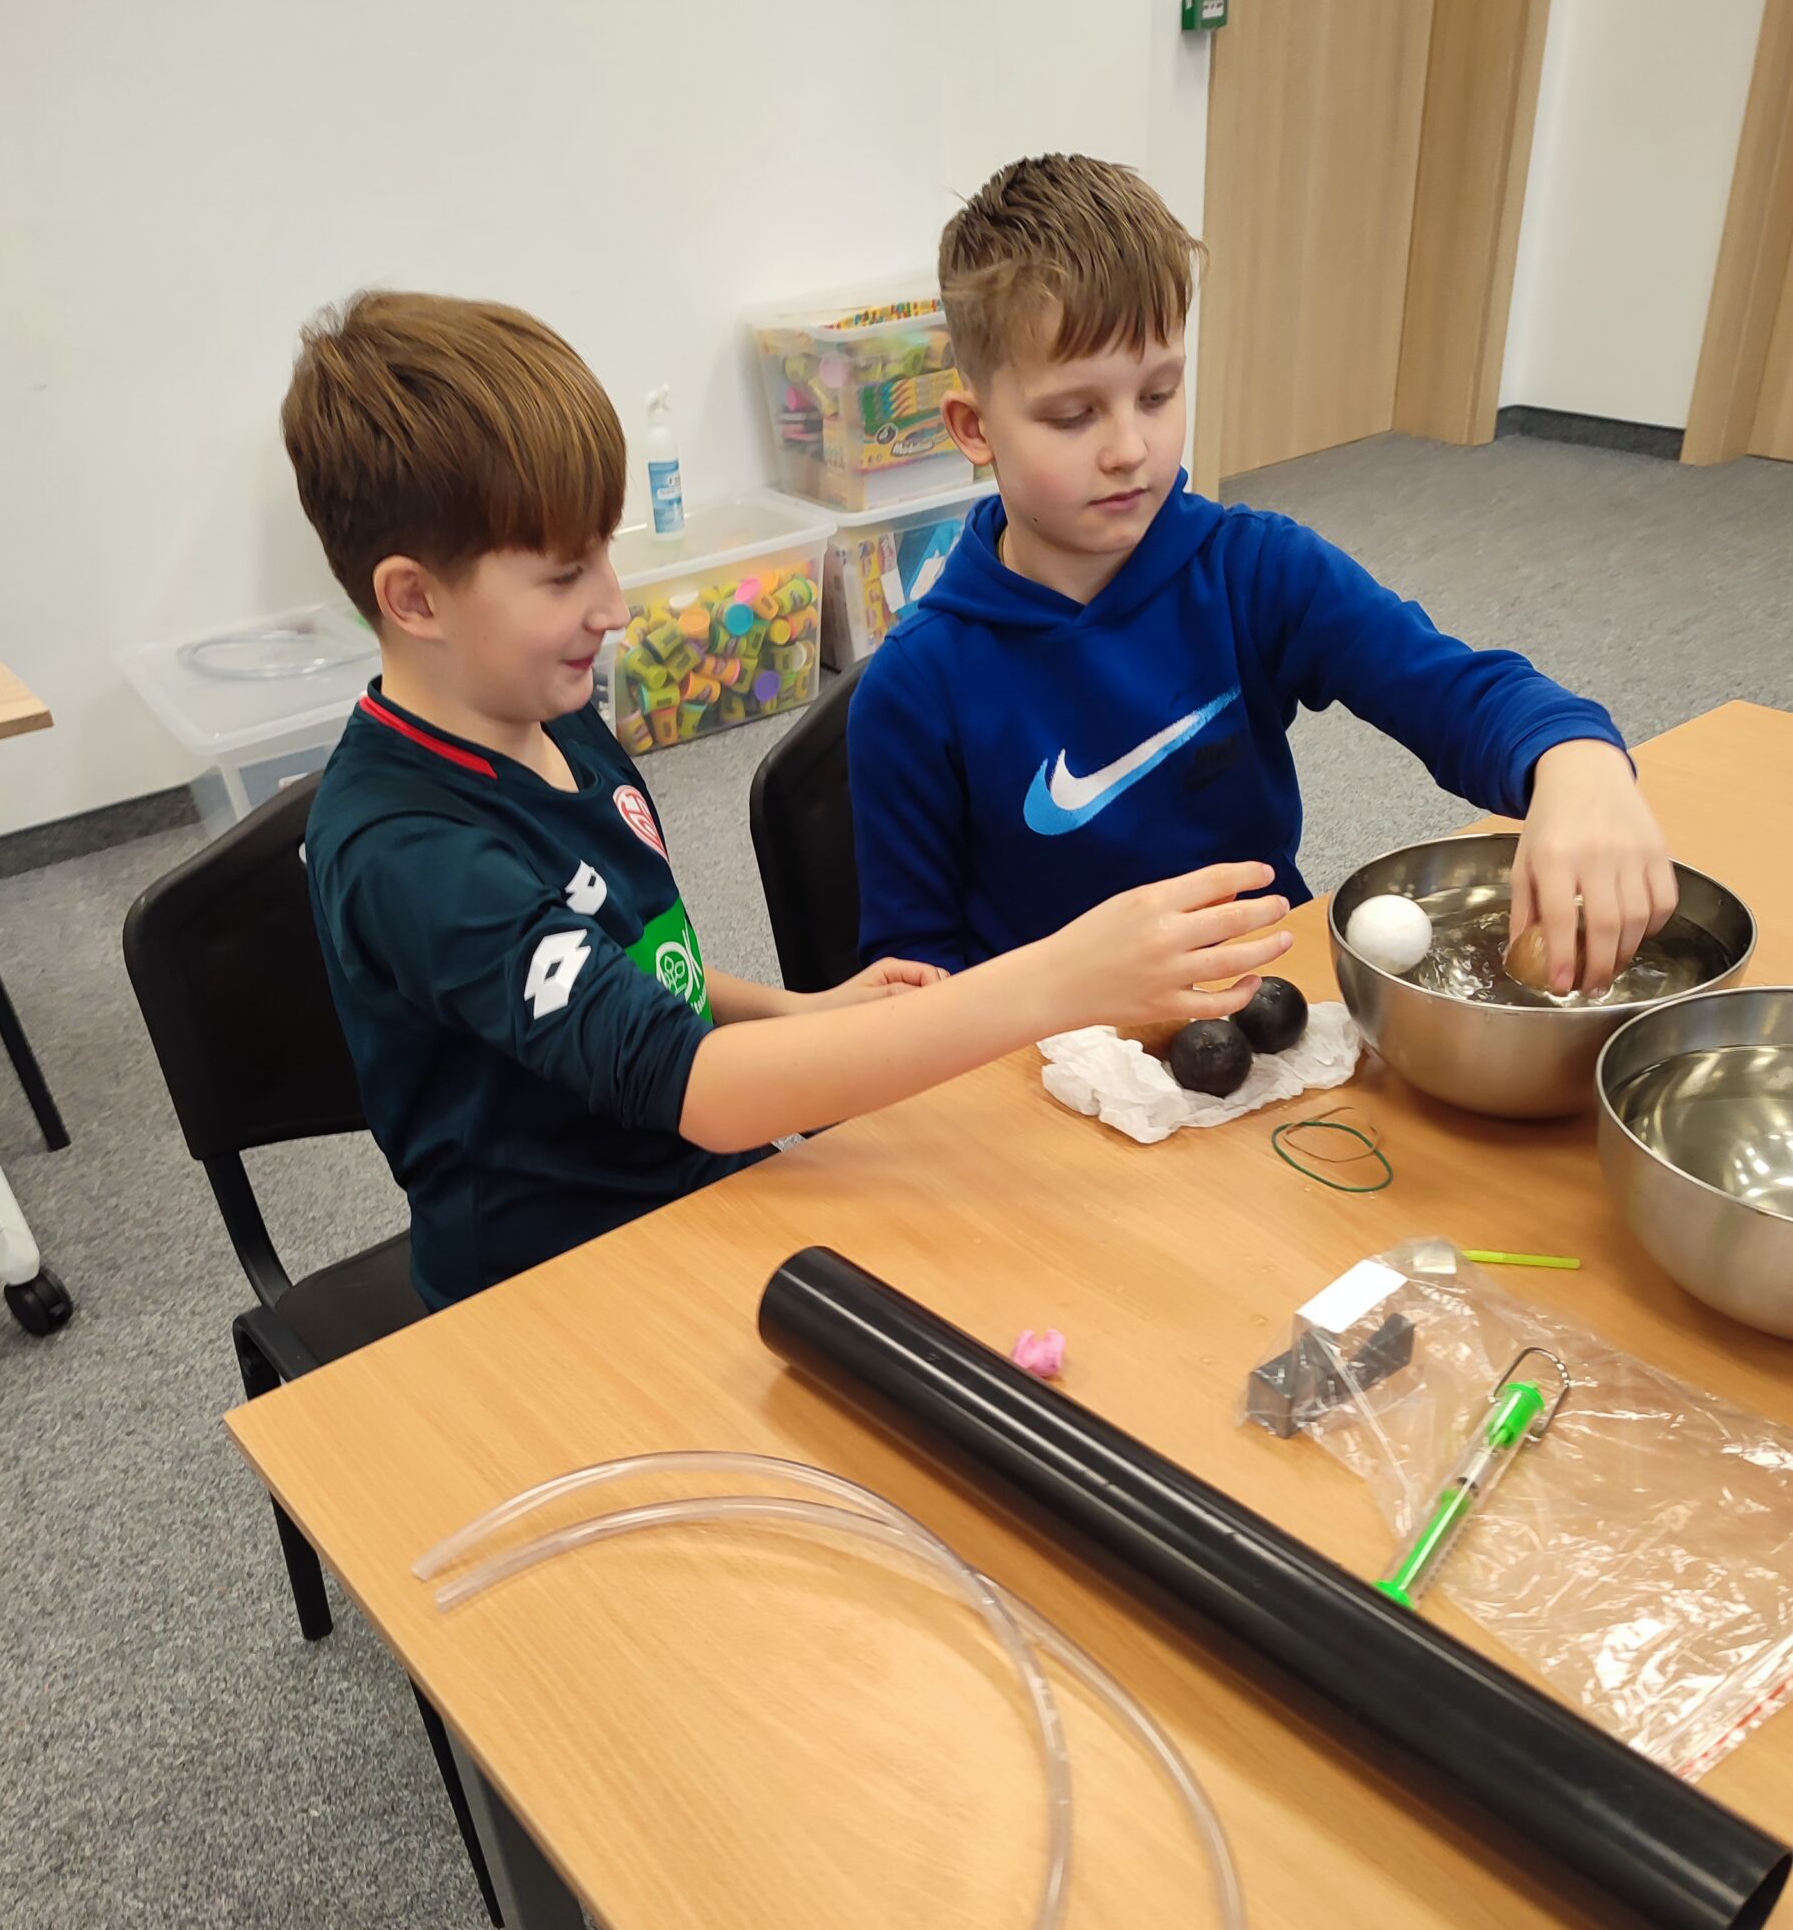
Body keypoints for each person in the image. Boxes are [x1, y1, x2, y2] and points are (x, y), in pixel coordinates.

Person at [281, 290, 1294, 1310]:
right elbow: (693, 1086)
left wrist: (795, 1010)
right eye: (563, 577)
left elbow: (623, 961)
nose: (615, 607)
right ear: (414, 598)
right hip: (556, 1286)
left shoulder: (541, 706)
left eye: (604, 554)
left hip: (707, 1192)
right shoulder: (410, 853)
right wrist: (1061, 980)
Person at [849, 153, 1675, 1001]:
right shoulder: (917, 686)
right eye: (1073, 414)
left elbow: (1454, 692)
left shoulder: (1257, 570)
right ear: (974, 427)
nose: (1130, 448)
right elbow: (911, 990)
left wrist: (1576, 761)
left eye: (1159, 395)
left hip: (1263, 1004)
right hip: (1052, 1052)